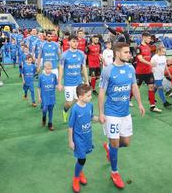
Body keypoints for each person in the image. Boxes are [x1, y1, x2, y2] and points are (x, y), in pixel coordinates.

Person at [98, 42, 145, 189]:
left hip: (125, 112)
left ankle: (109, 147)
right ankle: (114, 172)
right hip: (111, 112)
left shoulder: (130, 68)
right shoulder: (108, 70)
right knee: (115, 144)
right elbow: (101, 92)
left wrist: (140, 103)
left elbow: (134, 86)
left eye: (128, 52)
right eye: (126, 52)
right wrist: (100, 113)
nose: (129, 55)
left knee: (125, 142)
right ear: (117, 53)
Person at [68, 84, 98, 193]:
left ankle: (80, 172)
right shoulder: (75, 109)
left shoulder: (89, 105)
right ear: (80, 97)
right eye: (88, 96)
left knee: (82, 158)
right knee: (82, 159)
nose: (91, 97)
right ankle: (76, 178)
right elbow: (70, 126)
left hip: (87, 136)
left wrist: (99, 119)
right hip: (78, 139)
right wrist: (71, 141)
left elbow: (91, 117)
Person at [58, 35, 89, 123]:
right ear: (69, 42)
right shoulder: (64, 55)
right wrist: (59, 83)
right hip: (68, 83)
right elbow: (61, 69)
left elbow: (84, 67)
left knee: (78, 101)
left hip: (78, 82)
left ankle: (75, 117)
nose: (75, 43)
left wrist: (86, 80)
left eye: (76, 41)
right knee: (69, 103)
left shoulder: (81, 54)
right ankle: (65, 111)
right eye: (73, 41)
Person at [135, 32, 161, 112]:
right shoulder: (138, 48)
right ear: (144, 38)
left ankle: (152, 106)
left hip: (148, 71)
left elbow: (154, 53)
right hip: (140, 72)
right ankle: (128, 100)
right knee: (136, 88)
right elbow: (140, 59)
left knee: (151, 87)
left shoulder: (149, 46)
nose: (150, 40)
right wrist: (150, 63)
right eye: (149, 38)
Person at [37, 61, 57, 131]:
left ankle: (50, 123)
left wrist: (59, 87)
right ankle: (44, 117)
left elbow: (56, 85)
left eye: (50, 69)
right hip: (44, 97)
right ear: (44, 68)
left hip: (52, 97)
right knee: (45, 109)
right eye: (47, 69)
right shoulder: (41, 77)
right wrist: (39, 97)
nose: (49, 70)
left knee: (51, 110)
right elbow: (38, 88)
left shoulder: (53, 76)